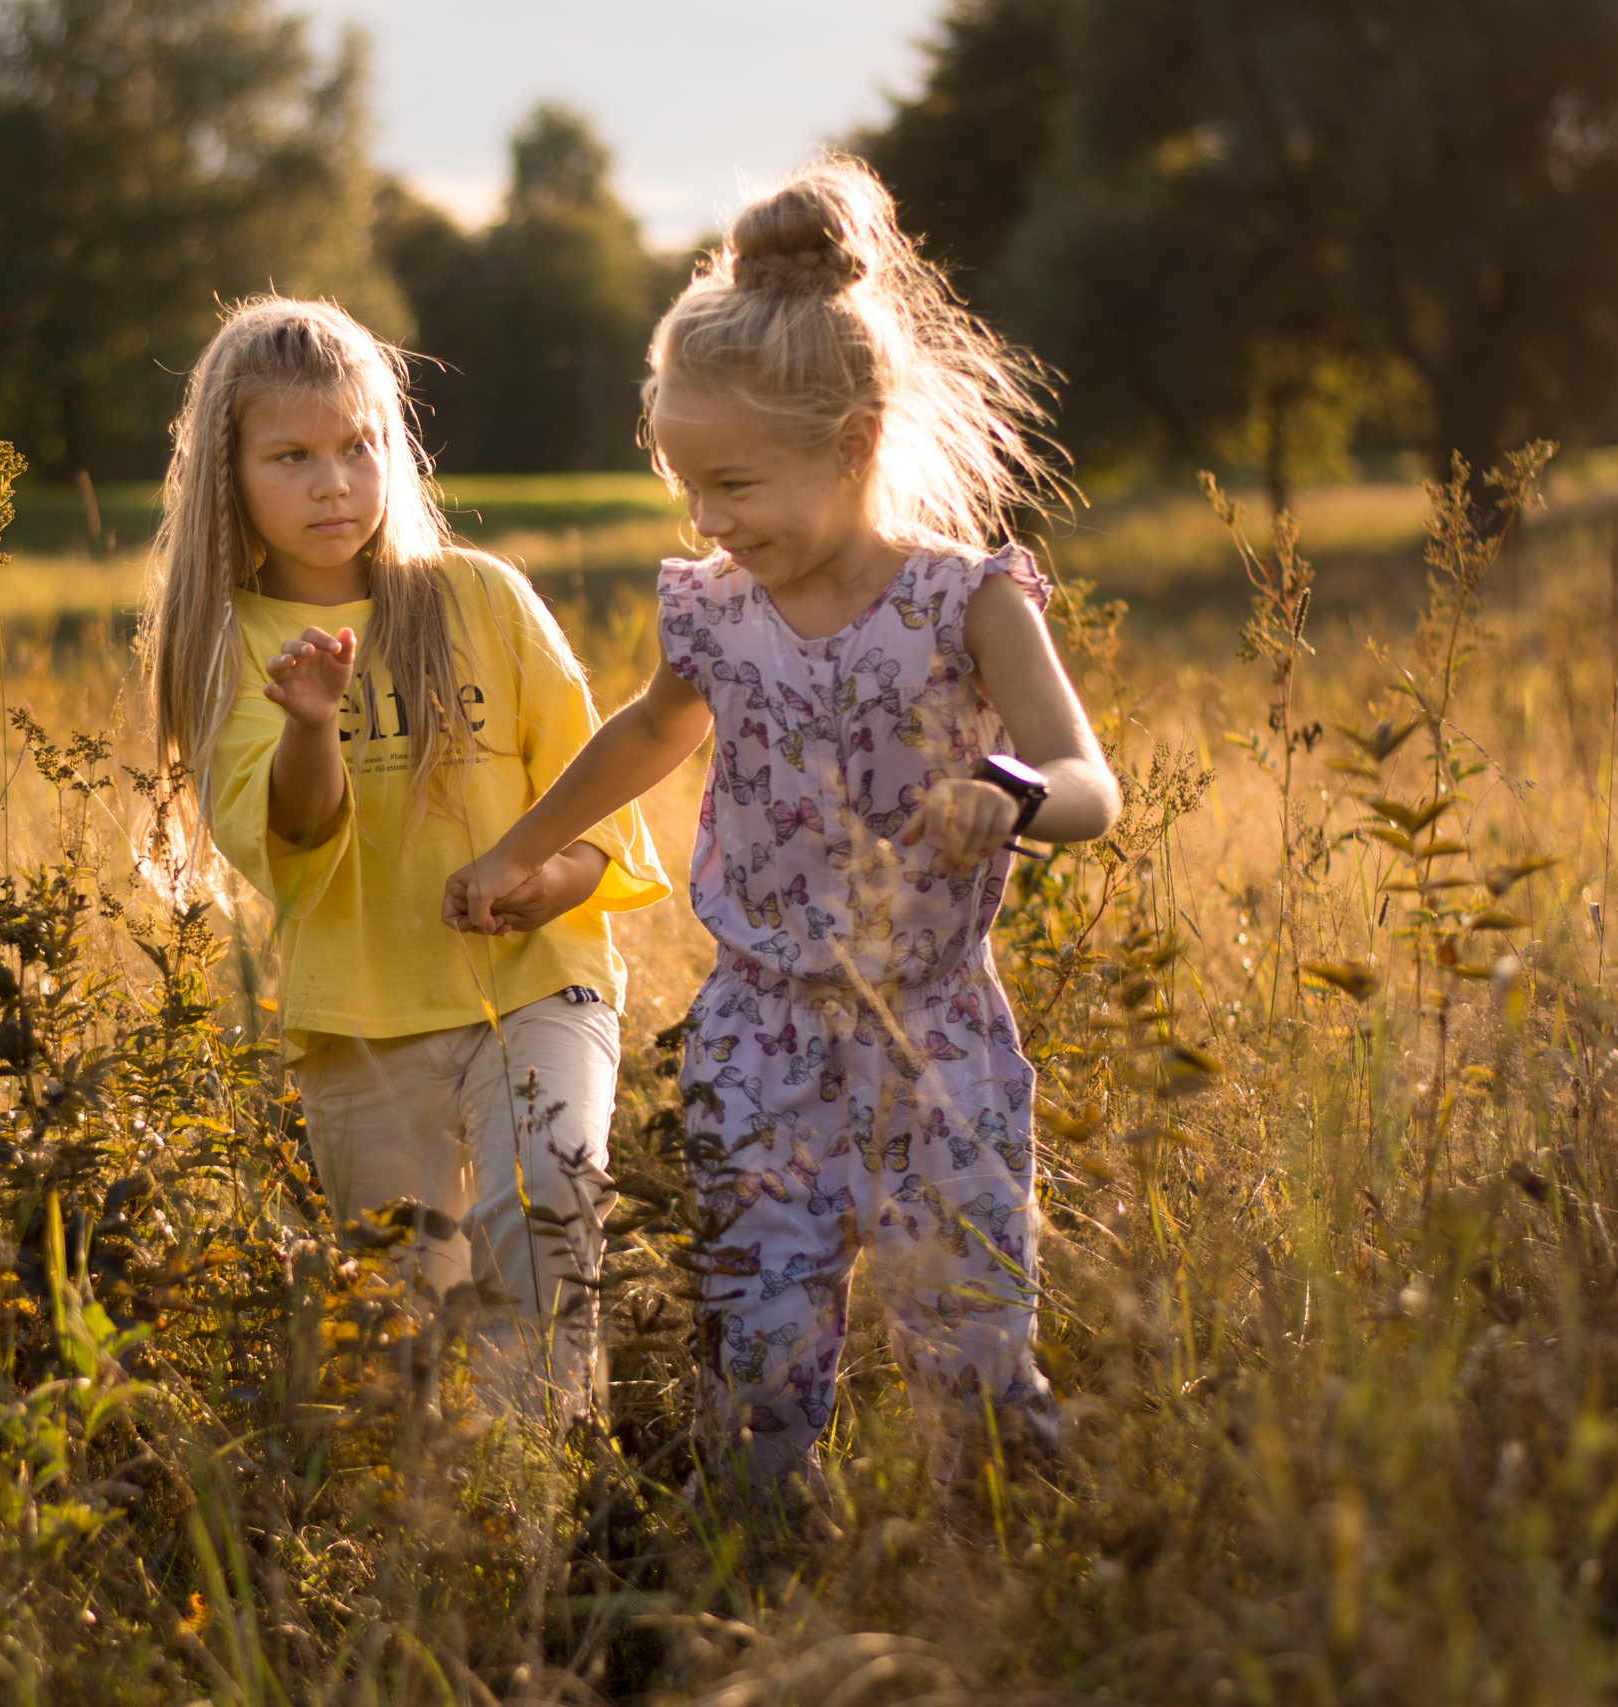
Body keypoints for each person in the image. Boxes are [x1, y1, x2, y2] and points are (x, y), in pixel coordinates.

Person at [444, 158, 1121, 1492]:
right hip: (757, 1028)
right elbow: (648, 732)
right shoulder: (713, 608)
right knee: (758, 1334)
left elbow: (1091, 780)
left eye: (740, 485)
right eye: (692, 487)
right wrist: (518, 846)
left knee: (974, 1327)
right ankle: (762, 1551)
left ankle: (1001, 1556)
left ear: (857, 437)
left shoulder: (966, 600)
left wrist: (1011, 795)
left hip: (935, 1029)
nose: (713, 520)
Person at [143, 297, 670, 1420]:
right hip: (363, 1024)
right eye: (291, 456)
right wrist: (309, 722)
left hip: (537, 986)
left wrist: (545, 886)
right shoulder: (228, 646)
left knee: (549, 1202)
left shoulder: (478, 598)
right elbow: (289, 847)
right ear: (227, 474)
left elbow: (592, 814)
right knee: (400, 1325)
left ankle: (551, 1472)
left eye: (358, 445)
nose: (333, 482)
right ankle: (442, 1528)